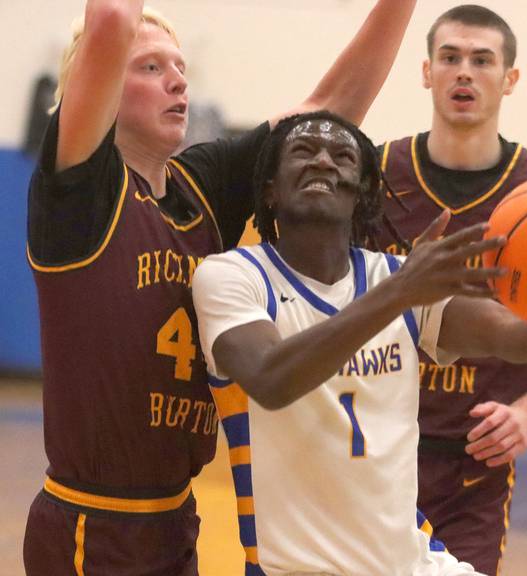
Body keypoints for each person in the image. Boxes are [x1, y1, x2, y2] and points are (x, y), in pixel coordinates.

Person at [23, 1, 417, 574]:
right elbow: (109, 19)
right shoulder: (79, 192)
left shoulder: (200, 187)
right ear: (98, 83)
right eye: (150, 67)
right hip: (93, 525)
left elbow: (330, 109)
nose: (177, 80)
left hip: (174, 520)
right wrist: (115, 33)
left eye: (179, 67)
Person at [191, 110, 527, 575]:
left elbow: (512, 338)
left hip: (412, 562)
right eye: (304, 150)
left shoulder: (394, 278)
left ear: (363, 194)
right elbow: (270, 379)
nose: (324, 161)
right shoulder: (233, 277)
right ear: (270, 188)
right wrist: (401, 292)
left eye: (343, 156)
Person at [374, 6, 527, 572]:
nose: (464, 72)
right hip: (369, 453)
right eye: (450, 57)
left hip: (471, 473)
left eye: (482, 60)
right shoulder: (373, 176)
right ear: (426, 71)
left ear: (509, 79)